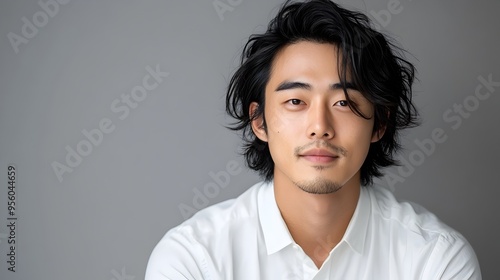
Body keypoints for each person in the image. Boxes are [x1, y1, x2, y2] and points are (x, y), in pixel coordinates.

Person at [145, 0, 482, 279]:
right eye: (296, 102)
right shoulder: (194, 259)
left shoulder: (435, 260)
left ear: (379, 123)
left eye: (345, 103)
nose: (319, 127)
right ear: (259, 120)